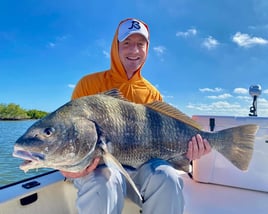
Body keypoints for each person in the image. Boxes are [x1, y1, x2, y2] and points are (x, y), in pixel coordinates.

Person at [61, 18, 211, 214]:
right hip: (98, 166)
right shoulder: (88, 84)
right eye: (127, 44)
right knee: (104, 180)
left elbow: (162, 144)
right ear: (116, 47)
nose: (134, 51)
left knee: (168, 177)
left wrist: (187, 153)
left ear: (147, 49)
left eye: (140, 44)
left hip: (140, 167)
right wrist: (67, 168)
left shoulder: (152, 94)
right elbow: (69, 135)